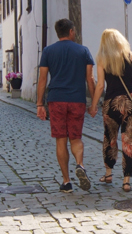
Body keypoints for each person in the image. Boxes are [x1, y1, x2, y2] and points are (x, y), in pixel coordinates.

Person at [35, 18, 96, 193]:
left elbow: (42, 79)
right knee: (75, 138)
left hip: (56, 100)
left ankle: (66, 181)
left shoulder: (48, 51)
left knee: (61, 139)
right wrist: (93, 102)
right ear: (71, 31)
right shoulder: (83, 51)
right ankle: (80, 164)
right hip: (77, 99)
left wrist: (40, 104)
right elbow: (90, 78)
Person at [90, 28, 132, 194]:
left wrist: (93, 105)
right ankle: (126, 181)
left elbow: (100, 85)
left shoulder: (102, 59)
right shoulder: (131, 56)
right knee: (129, 141)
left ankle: (108, 173)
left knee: (109, 138)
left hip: (111, 103)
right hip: (130, 102)